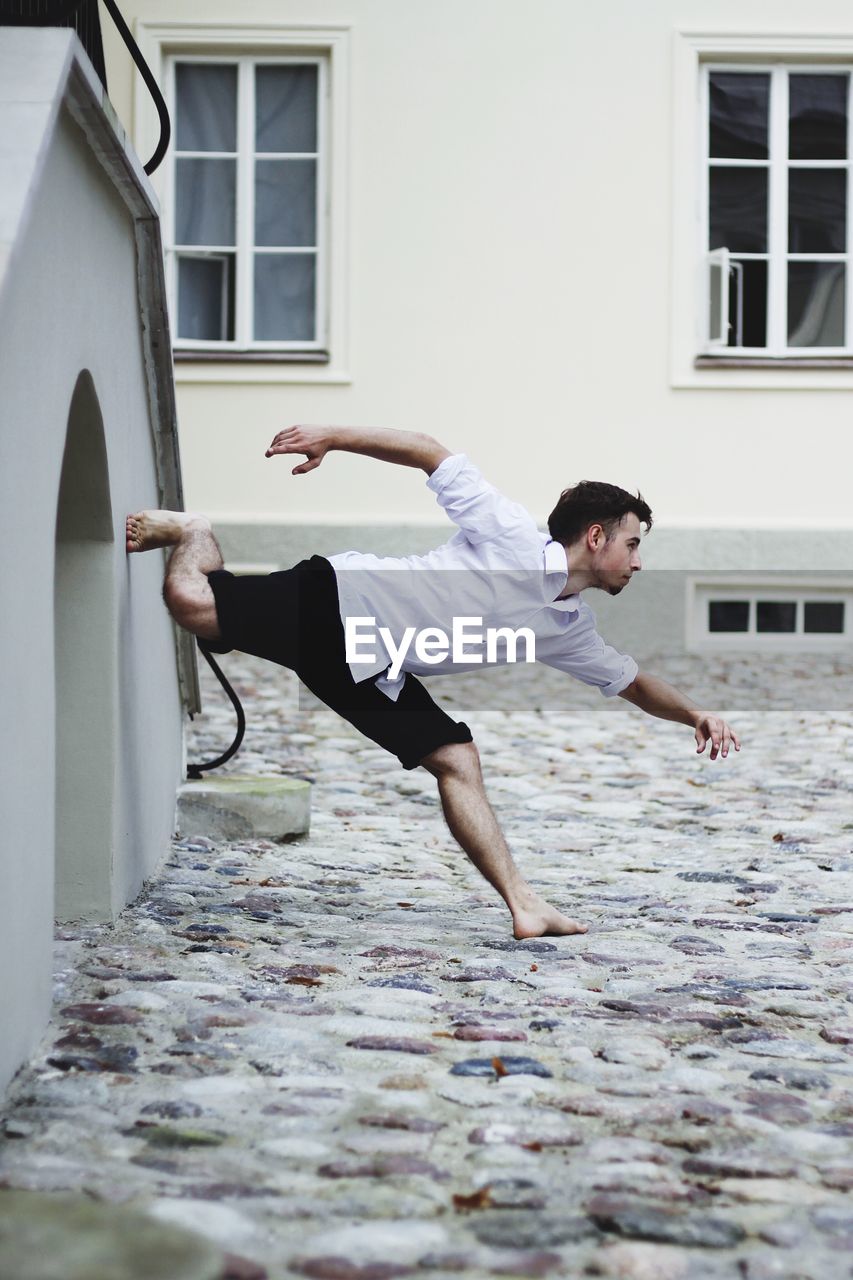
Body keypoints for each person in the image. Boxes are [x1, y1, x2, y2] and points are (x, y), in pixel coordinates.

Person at [127, 424, 739, 940]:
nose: (638, 561)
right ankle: (195, 532)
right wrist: (330, 438)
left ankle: (523, 905)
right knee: (188, 601)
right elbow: (426, 450)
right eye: (633, 544)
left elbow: (633, 683)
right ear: (597, 536)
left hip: (375, 664)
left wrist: (696, 715)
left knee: (456, 759)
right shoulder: (509, 532)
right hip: (336, 601)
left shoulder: (567, 627)